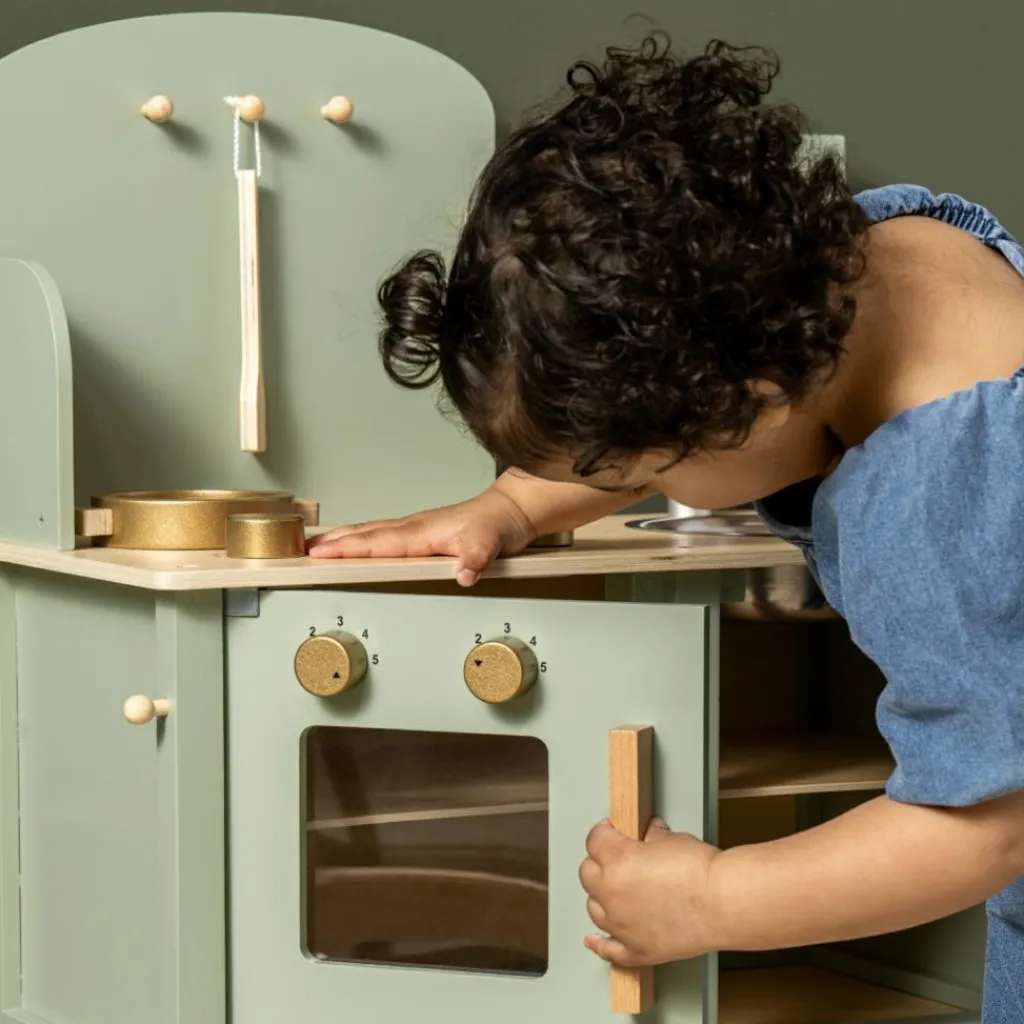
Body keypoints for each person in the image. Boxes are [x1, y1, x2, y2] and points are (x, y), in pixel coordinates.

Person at [308, 35, 1024, 1020]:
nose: (630, 488)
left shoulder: (939, 503)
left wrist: (708, 897)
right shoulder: (870, 248)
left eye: (636, 473)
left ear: (754, 396)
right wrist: (513, 504)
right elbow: (691, 399)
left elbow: (987, 826)